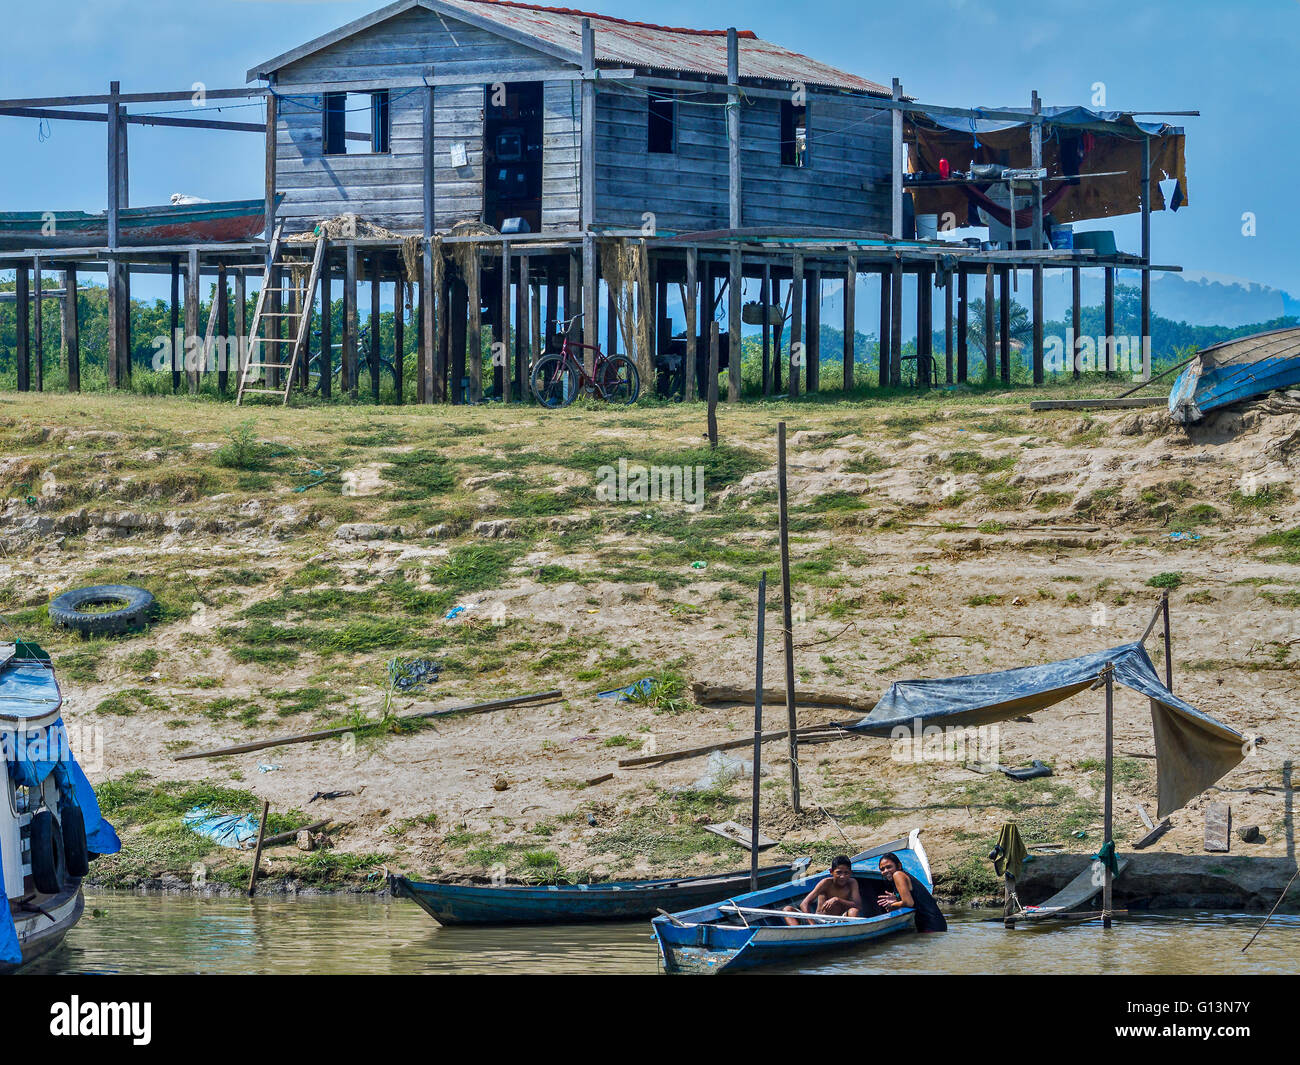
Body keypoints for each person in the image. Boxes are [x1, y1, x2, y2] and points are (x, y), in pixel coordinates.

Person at [876, 852, 947, 932]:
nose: (885, 871)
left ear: (899, 866)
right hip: (934, 923)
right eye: (882, 869)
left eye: (889, 867)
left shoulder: (898, 875)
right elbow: (911, 900)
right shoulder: (903, 875)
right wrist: (897, 900)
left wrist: (892, 905)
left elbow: (909, 903)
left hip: (931, 925)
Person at [783, 855, 862, 925]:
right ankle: (800, 936)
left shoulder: (852, 883)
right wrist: (812, 925)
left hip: (840, 920)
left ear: (850, 873)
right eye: (839, 872)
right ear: (831, 872)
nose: (842, 876)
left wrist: (837, 899)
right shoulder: (825, 883)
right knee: (787, 910)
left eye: (846, 873)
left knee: (853, 911)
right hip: (820, 920)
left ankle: (847, 934)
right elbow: (804, 904)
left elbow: (858, 906)